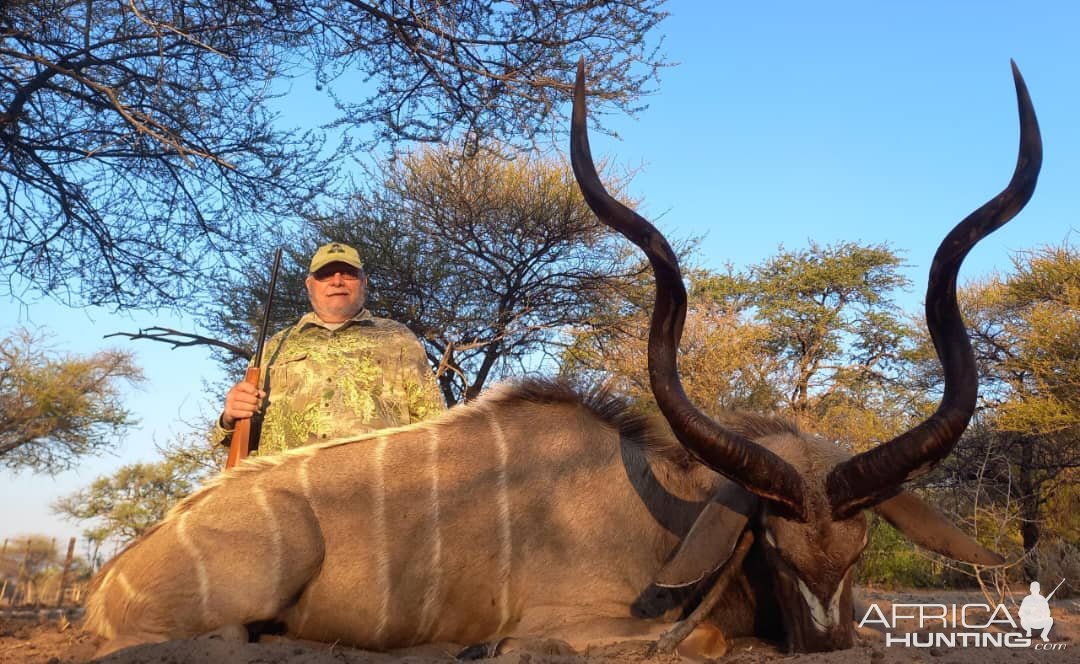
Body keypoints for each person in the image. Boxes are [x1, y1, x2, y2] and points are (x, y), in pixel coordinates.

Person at [212, 242, 445, 456]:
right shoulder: (275, 346)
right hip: (286, 492)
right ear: (309, 285)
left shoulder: (398, 337)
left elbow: (433, 424)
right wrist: (231, 417)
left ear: (364, 281)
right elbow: (240, 437)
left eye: (348, 273)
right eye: (325, 274)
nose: (337, 281)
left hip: (374, 492)